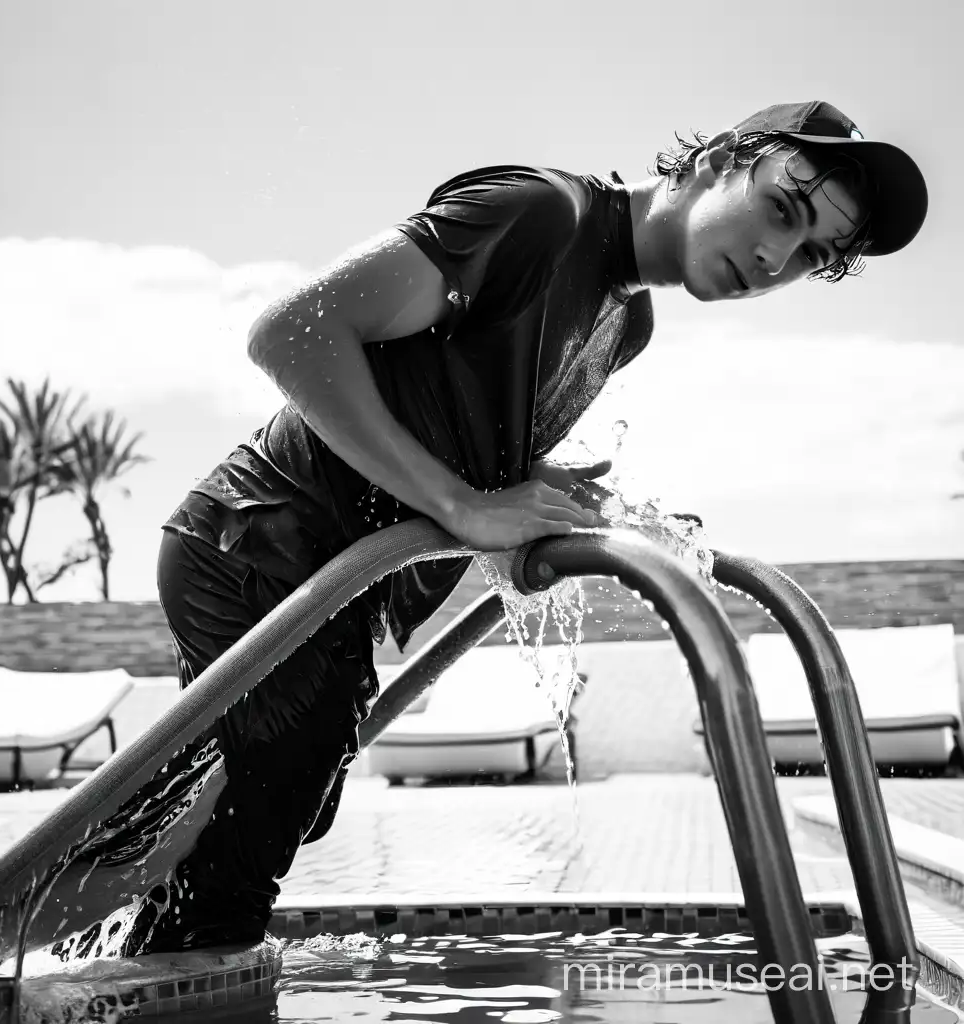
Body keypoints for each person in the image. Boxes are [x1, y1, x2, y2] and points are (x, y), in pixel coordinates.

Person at [60, 100, 929, 957]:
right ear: (714, 162)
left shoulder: (626, 324)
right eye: (781, 209)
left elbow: (447, 405)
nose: (777, 257)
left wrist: (533, 489)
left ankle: (48, 951)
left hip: (330, 584)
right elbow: (296, 332)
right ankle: (28, 948)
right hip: (256, 543)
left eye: (810, 253)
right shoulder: (541, 215)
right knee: (242, 838)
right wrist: (468, 507)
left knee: (249, 814)